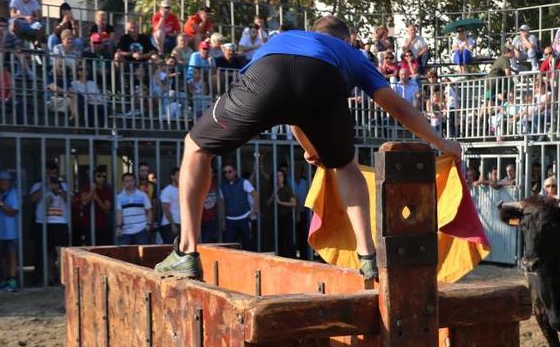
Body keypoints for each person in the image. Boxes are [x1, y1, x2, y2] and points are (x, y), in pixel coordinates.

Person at [154, 16, 461, 281]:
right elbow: (398, 108)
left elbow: (284, 97)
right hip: (322, 80)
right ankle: (367, 257)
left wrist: (308, 146)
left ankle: (187, 252)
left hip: (267, 73)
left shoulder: (285, 37)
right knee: (345, 165)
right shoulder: (349, 53)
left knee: (195, 146)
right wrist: (441, 143)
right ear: (348, 38)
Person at [30, 162, 69, 285]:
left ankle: (63, 278)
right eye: (48, 173)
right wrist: (45, 187)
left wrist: (58, 189)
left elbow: (70, 199)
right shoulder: (38, 185)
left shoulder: (63, 185)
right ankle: (48, 278)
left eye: (53, 173)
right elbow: (32, 200)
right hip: (42, 222)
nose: (51, 176)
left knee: (60, 251)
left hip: (60, 222)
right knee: (45, 252)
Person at [0, 170, 19, 291]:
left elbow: (13, 212)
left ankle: (13, 280)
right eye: (2, 180)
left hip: (11, 231)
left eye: (6, 180)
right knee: (2, 256)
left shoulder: (13, 193)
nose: (4, 182)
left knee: (12, 255)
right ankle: (5, 279)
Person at [219, 163, 257, 248]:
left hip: (244, 218)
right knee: (231, 246)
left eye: (229, 171)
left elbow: (255, 195)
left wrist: (254, 210)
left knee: (247, 244)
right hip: (229, 220)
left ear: (235, 172)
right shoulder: (222, 186)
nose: (227, 174)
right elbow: (222, 203)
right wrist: (223, 220)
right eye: (225, 172)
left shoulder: (244, 182)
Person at [75, 165, 113, 246]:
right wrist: (92, 191)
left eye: (103, 176)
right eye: (99, 176)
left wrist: (96, 198)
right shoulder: (86, 188)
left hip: (103, 225)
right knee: (90, 248)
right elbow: (84, 202)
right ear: (94, 177)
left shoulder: (106, 190)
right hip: (88, 225)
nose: (101, 178)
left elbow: (107, 209)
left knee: (103, 249)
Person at [115, 172, 153, 245]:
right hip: (125, 231)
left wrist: (148, 224)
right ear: (123, 182)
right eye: (127, 181)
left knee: (143, 254)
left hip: (141, 229)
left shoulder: (142, 195)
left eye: (131, 180)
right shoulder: (119, 197)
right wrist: (118, 227)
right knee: (125, 254)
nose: (129, 183)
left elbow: (149, 210)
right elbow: (119, 212)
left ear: (135, 181)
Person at [269, 169, 297, 257]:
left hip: (286, 217)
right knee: (278, 238)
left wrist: (280, 202)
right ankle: (281, 257)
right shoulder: (272, 188)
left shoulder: (287, 188)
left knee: (288, 238)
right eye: (277, 176)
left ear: (283, 177)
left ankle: (291, 257)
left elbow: (294, 203)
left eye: (280, 176)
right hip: (276, 218)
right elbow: (267, 203)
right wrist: (274, 193)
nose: (279, 178)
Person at [292, 165, 310, 259]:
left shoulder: (305, 183)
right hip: (292, 212)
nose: (296, 173)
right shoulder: (291, 182)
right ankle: (294, 254)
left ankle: (305, 255)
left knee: (304, 234)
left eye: (298, 171)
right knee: (293, 234)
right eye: (295, 171)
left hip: (304, 212)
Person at [160, 167, 181, 245]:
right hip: (170, 224)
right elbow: (166, 209)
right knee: (171, 248)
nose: (181, 177)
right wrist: (172, 225)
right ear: (172, 176)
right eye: (178, 175)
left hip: (181, 223)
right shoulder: (167, 190)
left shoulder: (183, 189)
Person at [201, 170, 219, 243]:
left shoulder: (216, 185)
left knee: (207, 241)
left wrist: (222, 220)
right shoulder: (199, 184)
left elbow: (221, 202)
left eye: (211, 172)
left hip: (212, 219)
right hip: (200, 219)